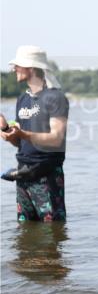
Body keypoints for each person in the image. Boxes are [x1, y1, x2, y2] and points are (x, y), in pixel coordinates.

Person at [1, 46, 69, 222]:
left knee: (52, 236)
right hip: (23, 176)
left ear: (30, 68)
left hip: (47, 179)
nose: (13, 69)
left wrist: (23, 134)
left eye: (18, 65)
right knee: (24, 237)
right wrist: (6, 131)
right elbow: (21, 143)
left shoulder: (55, 97)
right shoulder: (22, 100)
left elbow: (57, 139)